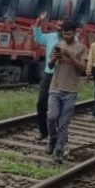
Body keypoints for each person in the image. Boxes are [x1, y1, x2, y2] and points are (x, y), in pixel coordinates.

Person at [46, 20, 88, 164]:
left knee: (64, 123)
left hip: (70, 90)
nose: (66, 36)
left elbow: (83, 68)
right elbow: (50, 66)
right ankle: (52, 138)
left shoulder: (81, 48)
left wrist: (70, 56)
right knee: (51, 117)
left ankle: (58, 151)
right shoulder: (58, 46)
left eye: (69, 34)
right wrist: (53, 59)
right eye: (64, 34)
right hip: (55, 87)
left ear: (74, 33)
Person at [31, 13, 60, 141]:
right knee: (41, 103)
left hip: (62, 76)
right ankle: (43, 131)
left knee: (58, 106)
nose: (58, 28)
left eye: (61, 26)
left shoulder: (71, 40)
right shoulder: (51, 37)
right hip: (49, 73)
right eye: (57, 26)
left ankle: (57, 133)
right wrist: (38, 22)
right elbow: (38, 37)